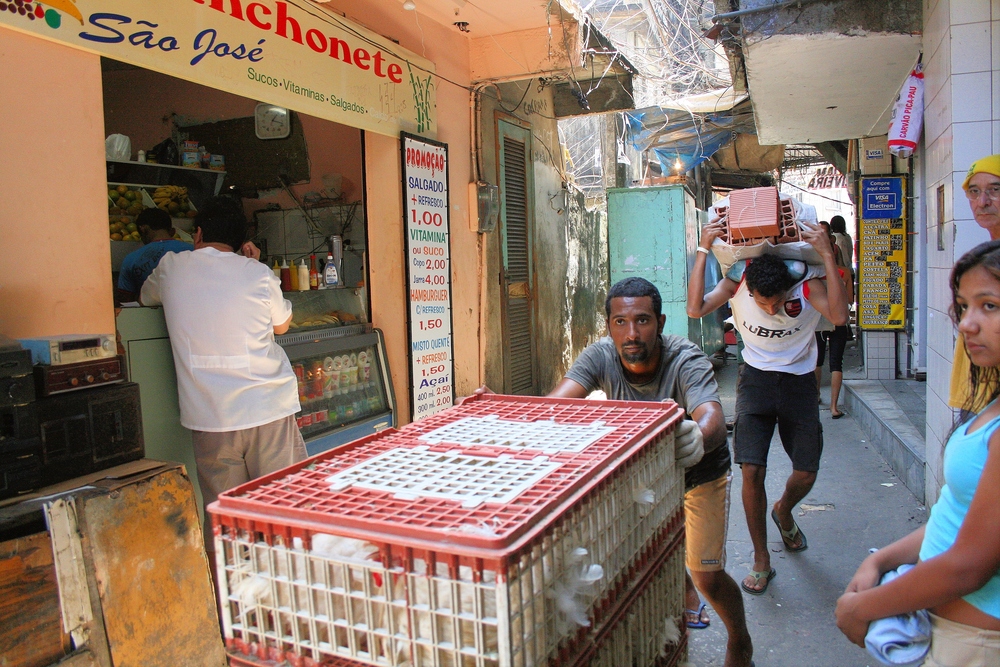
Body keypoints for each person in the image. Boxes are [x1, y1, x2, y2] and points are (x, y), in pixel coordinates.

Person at [549, 277, 753, 667]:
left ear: (659, 321)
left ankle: (740, 640)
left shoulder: (684, 357)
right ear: (608, 326)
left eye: (642, 320)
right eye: (620, 322)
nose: (631, 332)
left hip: (698, 473)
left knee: (706, 572)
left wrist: (697, 435)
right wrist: (510, 413)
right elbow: (556, 406)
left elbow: (711, 413)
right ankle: (680, 598)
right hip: (641, 479)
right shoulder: (600, 356)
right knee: (640, 566)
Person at [836, 240, 1000, 665]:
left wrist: (864, 608)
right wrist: (881, 561)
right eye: (964, 306)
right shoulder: (993, 404)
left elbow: (969, 565)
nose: (967, 324)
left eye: (990, 306)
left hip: (976, 646)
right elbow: (957, 514)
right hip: (948, 634)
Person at [687, 217, 848, 596]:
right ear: (751, 291)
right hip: (755, 382)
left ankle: (784, 510)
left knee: (806, 472)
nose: (773, 309)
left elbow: (839, 317)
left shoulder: (807, 284)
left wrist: (826, 253)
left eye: (779, 302)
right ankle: (762, 559)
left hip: (799, 384)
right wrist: (703, 248)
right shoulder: (738, 282)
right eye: (764, 302)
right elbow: (695, 308)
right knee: (751, 472)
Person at [140, 197, 306, 551]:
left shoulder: (171, 267)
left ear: (198, 234)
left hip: (212, 418)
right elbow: (282, 325)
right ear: (241, 241)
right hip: (268, 410)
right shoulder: (257, 273)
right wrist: (251, 266)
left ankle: (234, 599)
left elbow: (145, 298)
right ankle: (287, 594)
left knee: (227, 526)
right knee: (282, 512)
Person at [950, 155, 1000, 415]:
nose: (983, 202)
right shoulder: (984, 256)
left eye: (995, 190)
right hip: (977, 394)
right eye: (974, 192)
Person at [813, 221, 854, 419]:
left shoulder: (812, 272)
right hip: (838, 321)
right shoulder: (844, 273)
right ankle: (834, 407)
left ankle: (816, 396)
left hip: (819, 321)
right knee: (836, 363)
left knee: (817, 360)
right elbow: (851, 299)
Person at [116, 207, 192, 303]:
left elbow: (125, 301)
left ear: (143, 230)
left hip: (147, 315)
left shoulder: (131, 259)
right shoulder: (193, 251)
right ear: (173, 231)